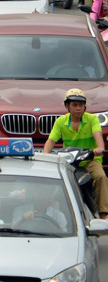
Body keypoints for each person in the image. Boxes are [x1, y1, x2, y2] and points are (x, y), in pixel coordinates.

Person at [43, 87, 108, 218]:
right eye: (74, 105)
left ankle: (104, 213)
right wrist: (45, 156)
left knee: (101, 177)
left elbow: (98, 134)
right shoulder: (61, 121)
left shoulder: (92, 119)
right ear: (67, 106)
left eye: (81, 105)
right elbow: (50, 141)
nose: (78, 108)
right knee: (56, 182)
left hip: (90, 161)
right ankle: (48, 211)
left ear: (85, 107)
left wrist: (100, 148)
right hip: (70, 162)